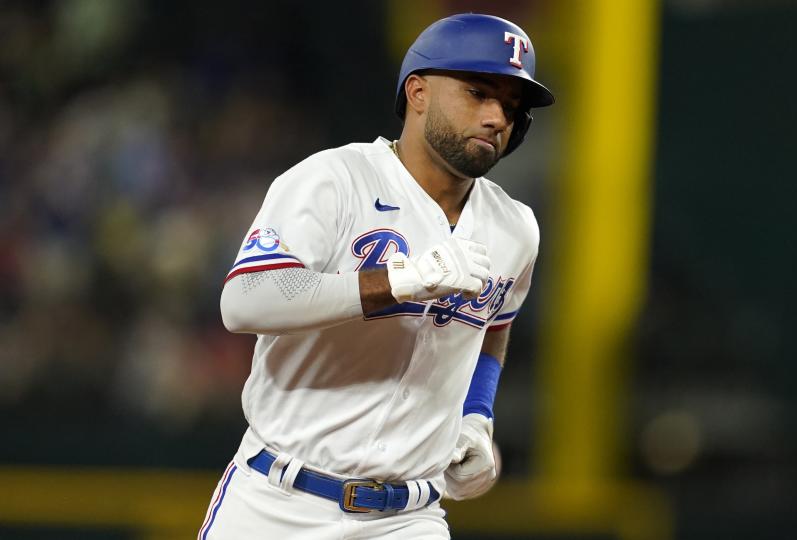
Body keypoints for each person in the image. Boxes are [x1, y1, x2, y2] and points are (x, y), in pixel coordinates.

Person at [198, 12, 554, 540]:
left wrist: (477, 416)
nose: (496, 116)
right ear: (418, 92)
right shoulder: (335, 179)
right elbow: (246, 301)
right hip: (279, 502)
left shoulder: (514, 228)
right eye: (478, 92)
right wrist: (397, 280)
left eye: (511, 105)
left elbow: (493, 327)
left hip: (408, 518)